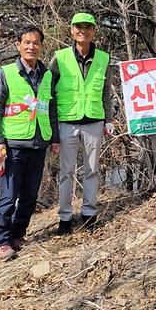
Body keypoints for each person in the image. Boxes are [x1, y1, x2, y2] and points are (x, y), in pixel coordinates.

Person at [0, 25, 59, 261]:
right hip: (14, 144)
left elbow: (51, 109)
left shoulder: (46, 74)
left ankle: (18, 234)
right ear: (18, 45)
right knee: (9, 195)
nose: (31, 46)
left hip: (39, 144)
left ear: (41, 46)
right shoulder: (5, 73)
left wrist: (54, 138)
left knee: (29, 195)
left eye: (36, 42)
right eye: (26, 42)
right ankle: (2, 241)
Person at [50, 13, 113, 235]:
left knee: (92, 170)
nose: (82, 31)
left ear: (94, 31)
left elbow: (106, 91)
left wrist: (109, 119)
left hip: (94, 122)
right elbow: (49, 92)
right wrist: (53, 127)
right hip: (67, 122)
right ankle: (65, 218)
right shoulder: (60, 58)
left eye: (87, 27)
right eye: (78, 27)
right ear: (71, 30)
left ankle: (88, 214)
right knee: (67, 172)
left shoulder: (103, 59)